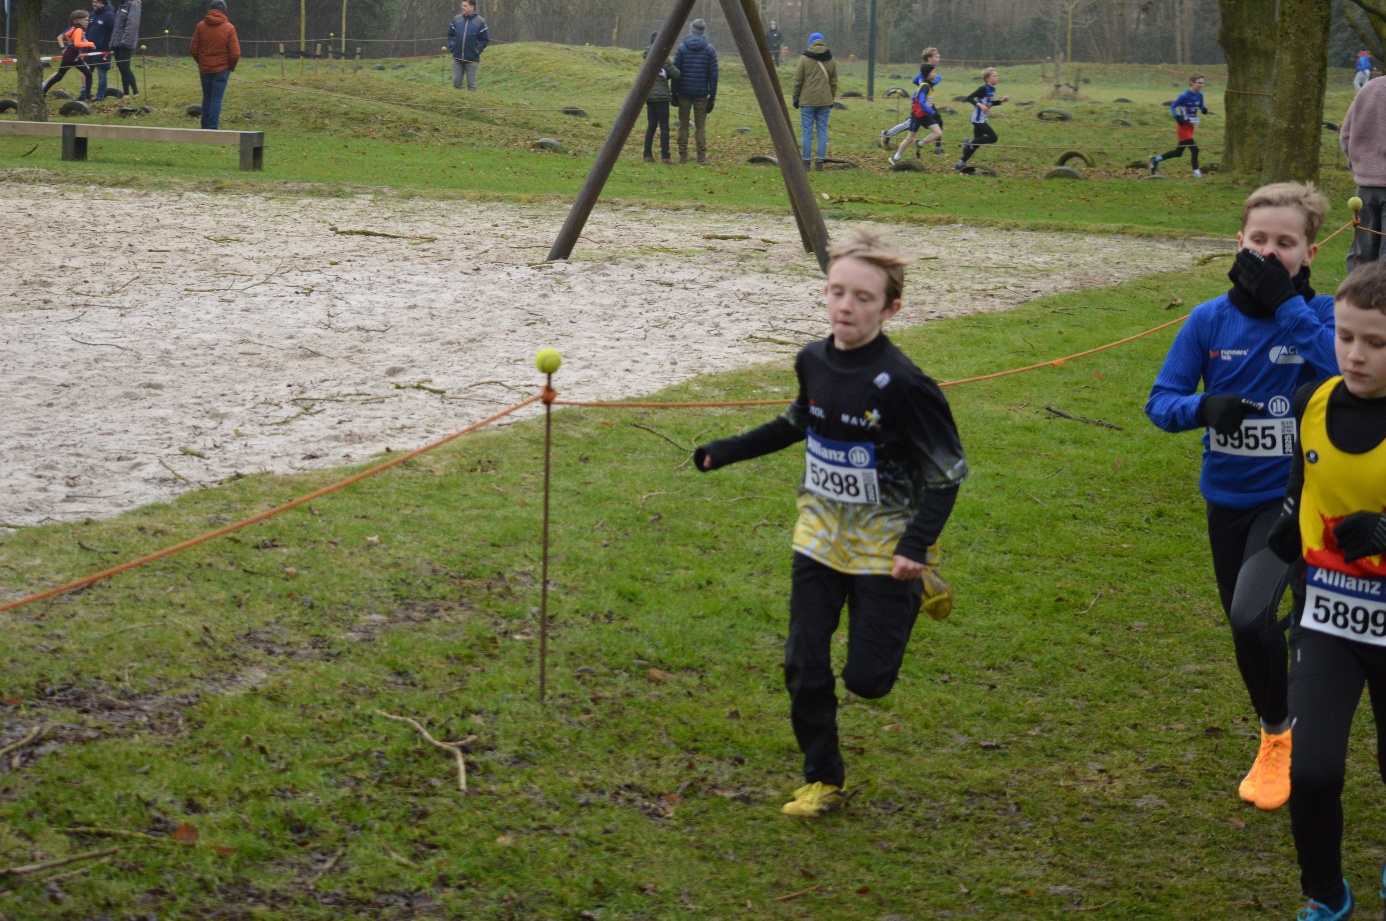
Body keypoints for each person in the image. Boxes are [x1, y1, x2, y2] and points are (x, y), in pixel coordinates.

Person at [693, 228, 967, 818]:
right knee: (803, 659)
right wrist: (727, 449)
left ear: (891, 308)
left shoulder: (907, 385)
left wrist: (915, 543)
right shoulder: (812, 360)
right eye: (837, 292)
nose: (846, 305)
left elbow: (948, 472)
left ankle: (922, 582)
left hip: (886, 549)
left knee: (868, 682)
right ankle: (824, 779)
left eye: (863, 297)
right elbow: (796, 423)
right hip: (817, 538)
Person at [1145, 182, 1338, 813]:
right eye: (1259, 240)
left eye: (1286, 242)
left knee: (1253, 616)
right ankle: (1276, 727)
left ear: (1309, 252)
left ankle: (1288, 735)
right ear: (1239, 244)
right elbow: (1160, 402)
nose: (1270, 251)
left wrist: (1287, 305)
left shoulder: (1327, 314)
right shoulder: (1208, 320)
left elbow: (1339, 365)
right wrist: (1206, 407)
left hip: (1296, 502)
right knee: (1250, 631)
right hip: (1226, 503)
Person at [1265, 260, 1386, 921]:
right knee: (1310, 773)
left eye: (1375, 341)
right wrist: (1288, 526)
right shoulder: (1316, 400)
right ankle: (1327, 894)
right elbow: (1302, 483)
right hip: (1329, 617)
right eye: (1344, 336)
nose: (1355, 354)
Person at [1340, 75, 1386, 272]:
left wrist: (1358, 169)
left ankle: (1353, 299)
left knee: (1360, 253)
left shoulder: (1370, 88)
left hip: (1365, 187)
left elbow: (1345, 136)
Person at [188, 0, 239, 130]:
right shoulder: (229, 28)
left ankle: (204, 127)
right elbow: (235, 53)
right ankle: (213, 128)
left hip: (205, 69)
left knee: (207, 97)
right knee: (216, 99)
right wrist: (230, 67)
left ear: (210, 9)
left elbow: (193, 49)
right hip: (221, 69)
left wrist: (202, 62)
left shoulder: (201, 26)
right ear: (225, 11)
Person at [674, 19, 717, 165]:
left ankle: (683, 155)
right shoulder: (710, 50)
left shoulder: (681, 48)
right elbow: (713, 76)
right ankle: (701, 156)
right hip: (701, 93)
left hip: (684, 92)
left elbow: (676, 73)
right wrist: (712, 96)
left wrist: (674, 93)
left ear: (691, 30)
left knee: (683, 124)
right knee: (700, 126)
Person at [791, 31, 836, 171]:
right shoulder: (830, 58)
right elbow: (834, 82)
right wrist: (831, 97)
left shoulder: (804, 58)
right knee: (822, 131)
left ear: (810, 42)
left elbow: (798, 80)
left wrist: (795, 97)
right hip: (825, 101)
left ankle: (806, 162)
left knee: (807, 131)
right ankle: (820, 162)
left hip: (807, 100)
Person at [1150, 73, 1208, 178]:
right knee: (1195, 150)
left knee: (1178, 152)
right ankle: (1197, 173)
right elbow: (1173, 106)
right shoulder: (1184, 96)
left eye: (1203, 83)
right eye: (1199, 83)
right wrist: (1177, 117)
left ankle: (1156, 159)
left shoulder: (1200, 95)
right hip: (1182, 127)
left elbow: (1200, 105)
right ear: (1192, 83)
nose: (1201, 85)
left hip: (1191, 126)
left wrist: (1204, 109)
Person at [881, 46, 939, 147]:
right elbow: (918, 81)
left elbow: (915, 81)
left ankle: (933, 146)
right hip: (920, 100)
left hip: (925, 100)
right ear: (930, 58)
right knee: (911, 123)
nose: (939, 59)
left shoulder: (930, 71)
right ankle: (888, 134)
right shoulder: (926, 71)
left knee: (936, 121)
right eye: (936, 57)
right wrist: (924, 89)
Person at [888, 63, 941, 166]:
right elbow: (921, 102)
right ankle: (895, 158)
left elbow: (936, 80)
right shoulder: (924, 87)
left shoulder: (929, 84)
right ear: (928, 74)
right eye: (933, 72)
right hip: (918, 115)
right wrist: (932, 112)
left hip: (926, 116)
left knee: (938, 133)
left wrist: (939, 78)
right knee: (910, 137)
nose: (936, 73)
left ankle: (920, 143)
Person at [956, 67, 1008, 172]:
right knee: (993, 138)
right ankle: (969, 142)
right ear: (988, 79)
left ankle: (960, 163)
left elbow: (989, 103)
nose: (997, 78)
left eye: (997, 76)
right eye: (995, 76)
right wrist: (979, 105)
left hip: (983, 119)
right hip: (978, 119)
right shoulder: (983, 89)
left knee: (976, 144)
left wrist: (1001, 101)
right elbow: (969, 98)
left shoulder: (993, 89)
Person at [641, 32, 679, 164]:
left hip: (649, 95)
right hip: (662, 96)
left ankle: (647, 154)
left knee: (651, 126)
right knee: (664, 127)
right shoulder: (662, 56)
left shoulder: (646, 56)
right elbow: (676, 74)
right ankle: (665, 156)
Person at [42, 10, 96, 100]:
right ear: (78, 20)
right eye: (85, 20)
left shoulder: (75, 28)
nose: (88, 22)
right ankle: (43, 91)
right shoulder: (78, 29)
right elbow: (78, 44)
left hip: (74, 56)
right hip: (70, 57)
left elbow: (67, 35)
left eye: (88, 20)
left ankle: (87, 95)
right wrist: (90, 44)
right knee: (59, 76)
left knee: (88, 74)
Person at [447, 0, 488, 93]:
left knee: (471, 86)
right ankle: (458, 104)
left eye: (465, 5)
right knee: (456, 83)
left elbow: (485, 40)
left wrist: (477, 51)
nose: (462, 7)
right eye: (462, 5)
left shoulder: (480, 22)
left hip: (472, 59)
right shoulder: (456, 19)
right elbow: (450, 35)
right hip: (457, 58)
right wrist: (451, 46)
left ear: (472, 7)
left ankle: (471, 106)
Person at [110, 0, 141, 98]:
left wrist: (125, 41)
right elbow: (117, 26)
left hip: (125, 43)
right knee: (120, 67)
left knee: (125, 67)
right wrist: (113, 42)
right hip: (117, 42)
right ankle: (126, 93)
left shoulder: (133, 5)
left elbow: (132, 24)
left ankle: (136, 92)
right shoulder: (121, 6)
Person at [87, 0, 115, 101]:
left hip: (103, 50)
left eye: (96, 2)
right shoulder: (92, 14)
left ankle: (100, 97)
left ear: (102, 3)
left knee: (101, 73)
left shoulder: (109, 15)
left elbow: (114, 31)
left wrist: (109, 45)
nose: (93, 4)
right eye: (93, 1)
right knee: (87, 72)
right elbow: (89, 30)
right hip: (89, 49)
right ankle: (86, 94)